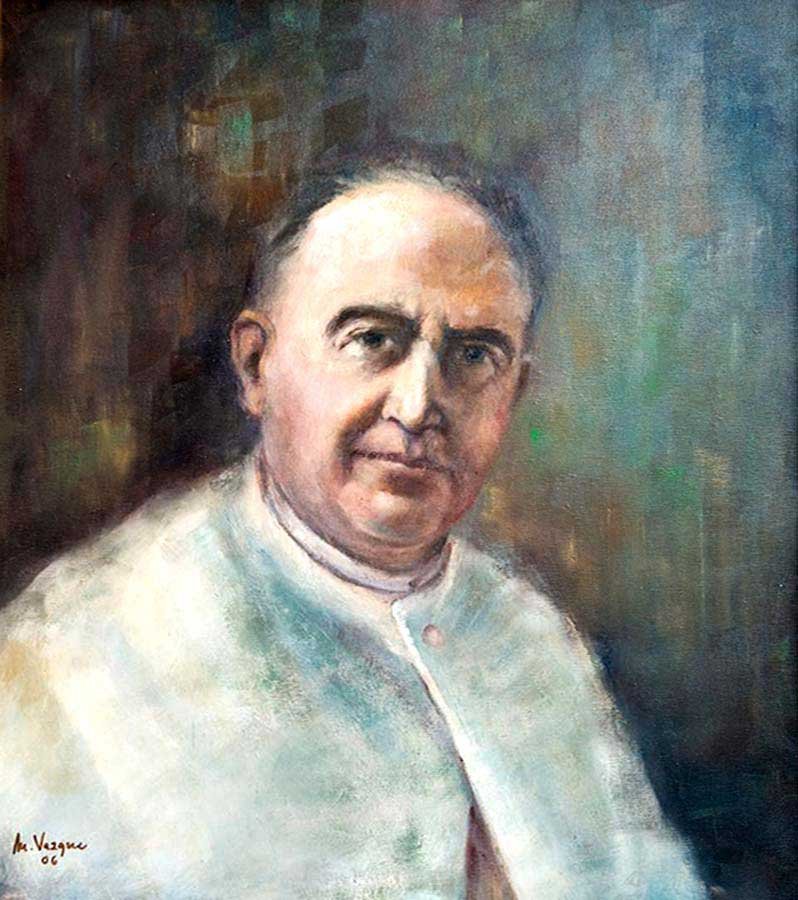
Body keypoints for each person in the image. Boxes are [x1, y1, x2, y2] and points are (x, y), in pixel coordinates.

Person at [0, 147, 705, 899]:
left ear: (515, 392)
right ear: (256, 366)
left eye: (474, 355)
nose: (418, 406)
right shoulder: (74, 657)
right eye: (373, 339)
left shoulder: (533, 641)